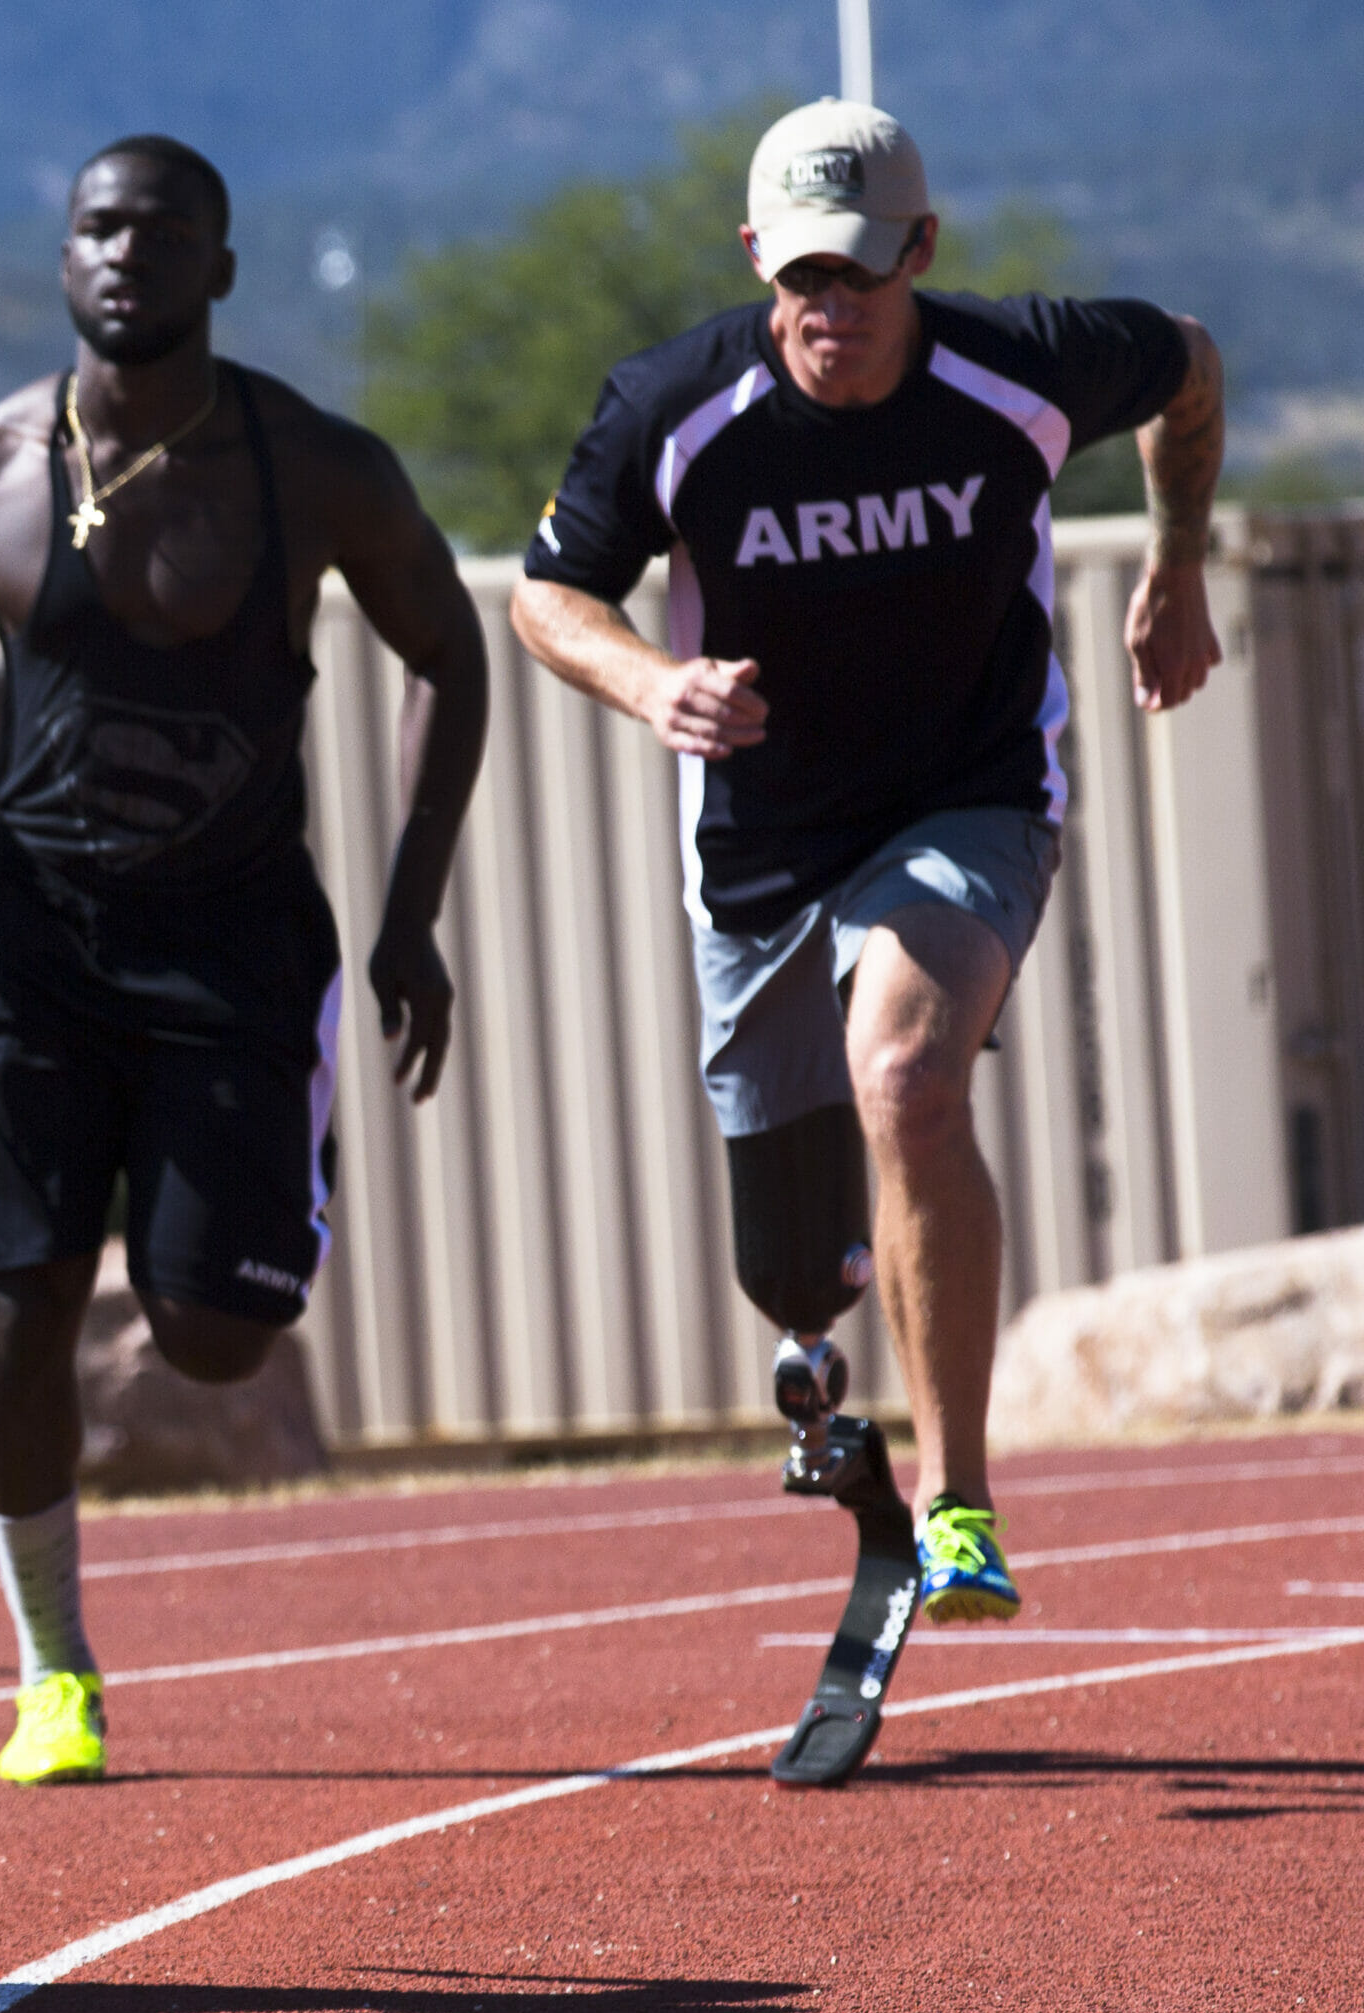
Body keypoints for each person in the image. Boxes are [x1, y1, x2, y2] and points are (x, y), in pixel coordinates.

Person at [0, 137, 488, 1786]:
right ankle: (54, 1668)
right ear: (63, 257)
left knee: (213, 1338)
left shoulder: (311, 465)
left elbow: (445, 654)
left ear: (222, 269)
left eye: (166, 232)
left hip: (238, 944)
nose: (128, 254)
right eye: (101, 227)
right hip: (33, 939)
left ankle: (253, 1184)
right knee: (11, 1304)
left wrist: (408, 913)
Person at [510, 100, 1223, 1622]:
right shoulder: (676, 407)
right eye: (800, 277)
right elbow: (548, 594)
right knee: (794, 1267)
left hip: (967, 796)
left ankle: (960, 1501)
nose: (828, 309)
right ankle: (824, 1372)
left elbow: (1191, 363)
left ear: (921, 249)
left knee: (906, 1074)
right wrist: (653, 684)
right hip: (766, 839)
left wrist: (1178, 560)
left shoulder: (1019, 365)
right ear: (757, 255)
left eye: (860, 272)